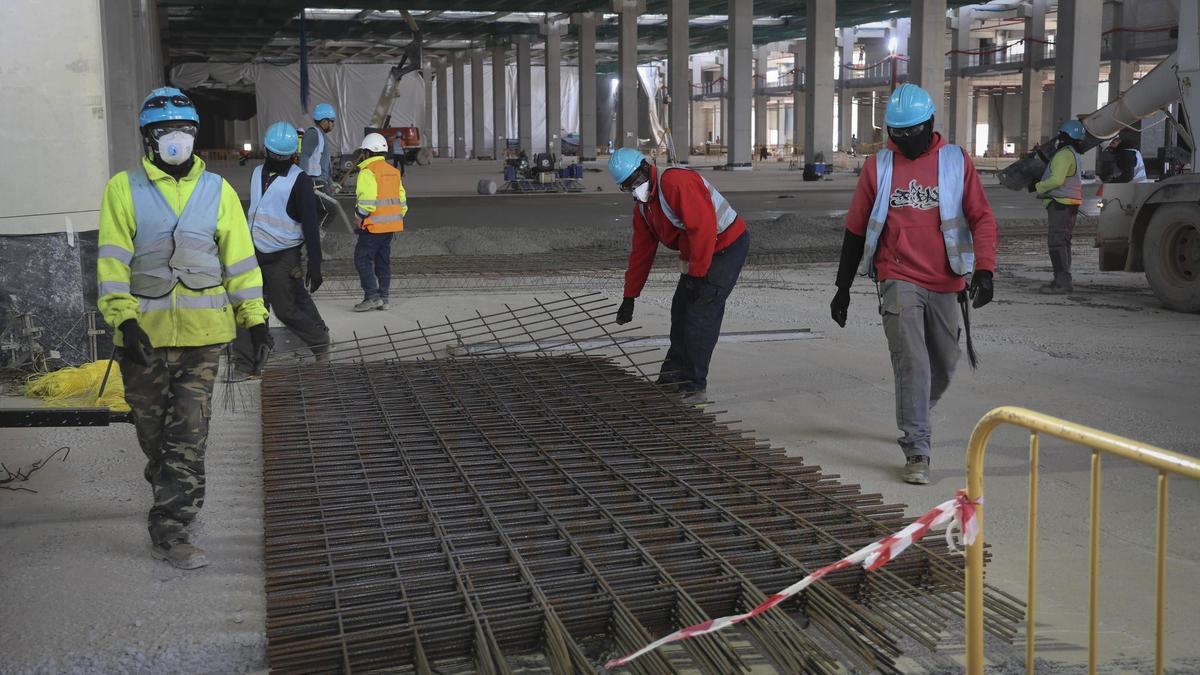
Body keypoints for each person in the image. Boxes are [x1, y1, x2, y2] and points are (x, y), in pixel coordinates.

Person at [96, 87, 270, 568]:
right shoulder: (123, 188)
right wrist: (123, 319)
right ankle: (170, 493)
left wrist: (254, 320)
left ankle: (172, 530)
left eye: (185, 131)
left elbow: (240, 261)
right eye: (166, 131)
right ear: (149, 138)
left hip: (203, 338)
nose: (177, 139)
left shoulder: (217, 192)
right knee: (155, 438)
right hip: (142, 340)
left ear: (195, 135)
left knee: (188, 436)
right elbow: (112, 261)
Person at [829, 83, 998, 485]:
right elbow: (855, 230)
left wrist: (986, 270)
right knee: (913, 362)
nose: (902, 141)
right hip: (897, 276)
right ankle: (917, 448)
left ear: (929, 125)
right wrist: (843, 287)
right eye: (895, 134)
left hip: (946, 278)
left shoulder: (956, 161)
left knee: (943, 363)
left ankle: (915, 408)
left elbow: (982, 218)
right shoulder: (879, 166)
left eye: (911, 133)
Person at [609, 148, 750, 404]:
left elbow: (704, 227)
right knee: (681, 310)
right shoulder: (644, 208)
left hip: (724, 245)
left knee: (700, 314)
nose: (635, 188)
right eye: (628, 186)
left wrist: (697, 276)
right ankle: (673, 377)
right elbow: (641, 253)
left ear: (645, 168)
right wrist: (630, 296)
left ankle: (694, 386)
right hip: (696, 248)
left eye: (636, 181)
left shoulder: (675, 183)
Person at [231, 122, 330, 373]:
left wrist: (315, 264)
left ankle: (319, 341)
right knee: (248, 306)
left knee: (285, 309)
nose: (275, 159)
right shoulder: (256, 173)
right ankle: (245, 363)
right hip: (253, 252)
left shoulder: (300, 181)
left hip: (283, 256)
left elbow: (310, 226)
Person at [353, 132, 407, 311]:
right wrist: (393, 217)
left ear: (367, 153)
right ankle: (384, 297)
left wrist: (359, 216)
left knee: (362, 258)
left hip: (373, 226)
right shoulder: (393, 172)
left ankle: (372, 297)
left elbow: (367, 201)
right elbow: (402, 201)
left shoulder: (368, 172)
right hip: (391, 226)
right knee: (382, 261)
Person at [1032, 120, 1087, 293]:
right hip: (1070, 204)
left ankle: (1062, 282)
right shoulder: (1074, 153)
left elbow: (1057, 180)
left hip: (1061, 204)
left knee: (1056, 243)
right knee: (1063, 242)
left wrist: (1038, 186)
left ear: (1065, 136)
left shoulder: (1064, 154)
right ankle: (1062, 279)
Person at [299, 102, 336, 189]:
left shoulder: (321, 135)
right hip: (313, 183)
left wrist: (331, 183)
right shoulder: (313, 133)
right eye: (332, 121)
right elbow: (304, 156)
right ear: (324, 121)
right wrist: (302, 183)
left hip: (320, 182)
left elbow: (323, 166)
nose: (333, 124)